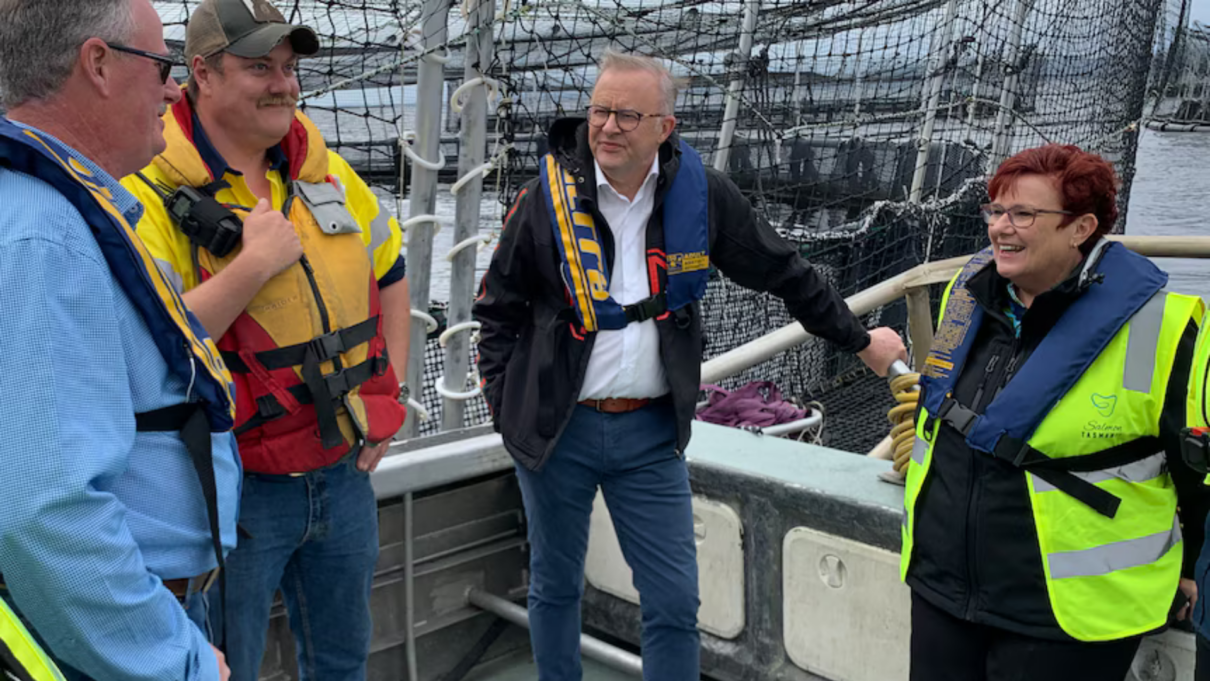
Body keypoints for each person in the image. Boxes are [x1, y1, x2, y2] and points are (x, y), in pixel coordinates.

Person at [473, 49, 907, 681]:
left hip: (648, 435)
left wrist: (859, 340)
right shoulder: (543, 201)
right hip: (553, 430)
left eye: (627, 114)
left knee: (675, 602)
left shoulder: (703, 200)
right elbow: (495, 311)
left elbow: (784, 271)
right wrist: (504, 409)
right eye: (600, 110)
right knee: (554, 585)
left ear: (664, 128)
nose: (608, 127)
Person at [120, 0, 410, 677]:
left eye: (288, 67)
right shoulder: (145, 192)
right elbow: (150, 347)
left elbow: (389, 268)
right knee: (226, 666)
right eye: (259, 67)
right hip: (230, 494)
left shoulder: (325, 172)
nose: (283, 83)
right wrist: (252, 265)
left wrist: (386, 391)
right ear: (203, 74)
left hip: (343, 474)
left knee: (342, 660)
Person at [901, 143, 1209, 681]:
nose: (1000, 228)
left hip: (1070, 615)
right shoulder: (966, 296)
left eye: (1024, 214)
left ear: (1081, 227)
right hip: (943, 588)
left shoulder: (1168, 331)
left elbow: (1197, 471)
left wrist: (1188, 568)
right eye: (994, 211)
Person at [0, 0, 240, 679]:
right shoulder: (47, 239)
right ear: (98, 64)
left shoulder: (35, 213)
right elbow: (44, 511)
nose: (173, 89)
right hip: (105, 643)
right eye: (163, 66)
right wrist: (174, 657)